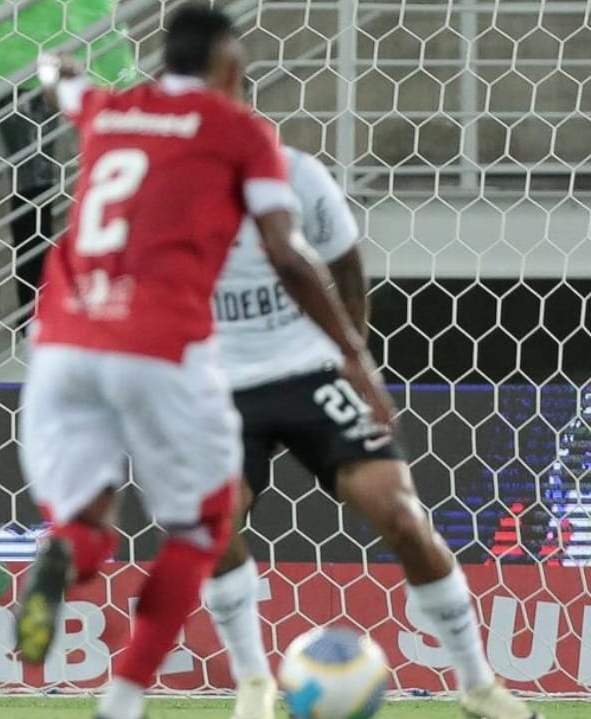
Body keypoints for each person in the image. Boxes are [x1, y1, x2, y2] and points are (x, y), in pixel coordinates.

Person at [11, 6, 393, 719]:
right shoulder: (239, 131)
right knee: (202, 531)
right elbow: (288, 252)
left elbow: (62, 83)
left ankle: (65, 551)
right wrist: (353, 355)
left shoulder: (112, 109)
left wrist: (51, 67)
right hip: (157, 346)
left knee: (86, 522)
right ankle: (121, 702)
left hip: (60, 343)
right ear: (227, 66)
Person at [202, 138, 543, 719]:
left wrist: (354, 357)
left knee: (402, 515)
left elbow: (348, 267)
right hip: (216, 380)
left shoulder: (298, 174)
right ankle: (254, 683)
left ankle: (479, 686)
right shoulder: (159, 186)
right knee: (213, 521)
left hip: (310, 369)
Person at [0, 0, 137, 325]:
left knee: (101, 187)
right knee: (36, 192)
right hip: (25, 59)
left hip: (90, 51)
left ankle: (69, 312)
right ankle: (40, 316)